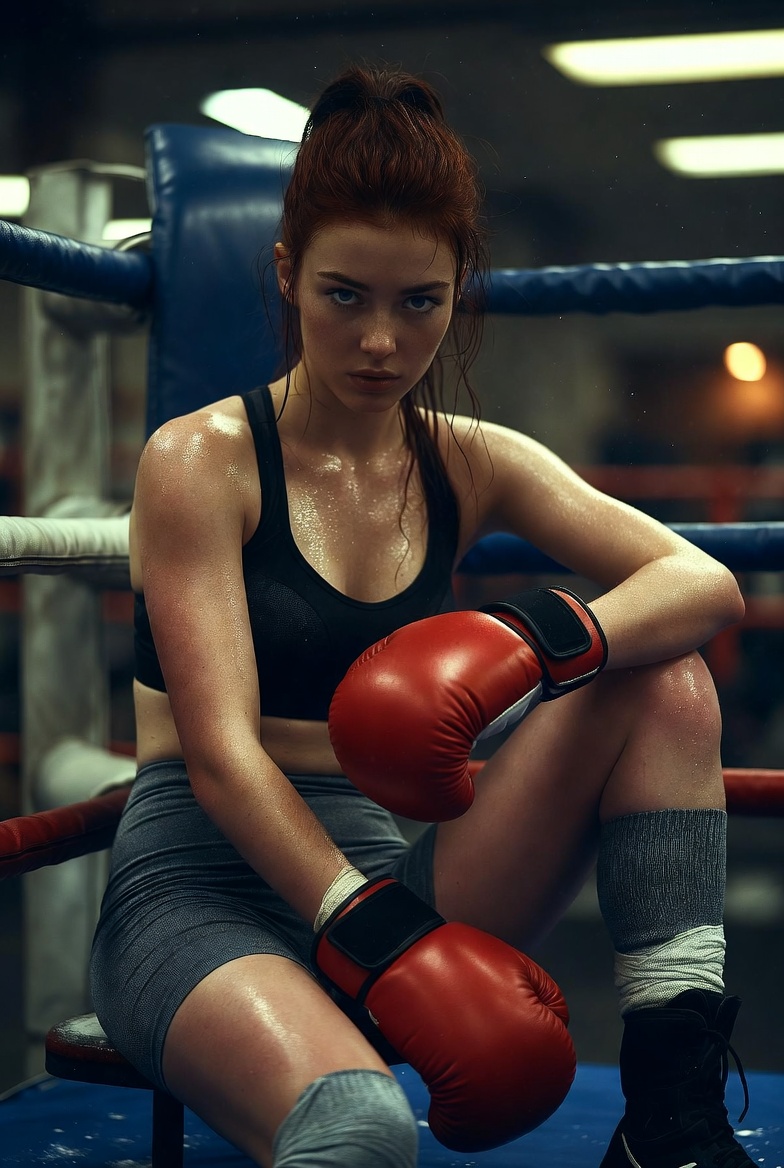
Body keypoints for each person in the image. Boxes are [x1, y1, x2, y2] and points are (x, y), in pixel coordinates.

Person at [89, 63, 753, 1168]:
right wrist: (372, 928)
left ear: (457, 295)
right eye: (344, 295)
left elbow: (702, 583)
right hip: (202, 891)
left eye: (419, 303)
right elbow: (215, 754)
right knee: (357, 1131)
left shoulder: (466, 461)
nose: (382, 344)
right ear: (288, 275)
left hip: (388, 870)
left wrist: (530, 640)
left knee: (665, 679)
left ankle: (668, 1115)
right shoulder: (201, 460)